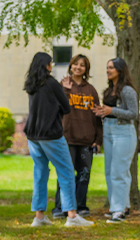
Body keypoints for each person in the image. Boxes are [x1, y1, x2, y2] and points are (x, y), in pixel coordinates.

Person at [23, 52, 94, 227]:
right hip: (50, 135)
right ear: (46, 65)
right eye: (51, 64)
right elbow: (66, 107)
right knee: (67, 171)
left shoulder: (31, 84)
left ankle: (39, 217)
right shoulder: (51, 83)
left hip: (33, 136)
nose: (51, 66)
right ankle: (72, 216)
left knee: (40, 173)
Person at [52, 54, 103, 219]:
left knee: (84, 175)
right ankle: (60, 208)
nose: (78, 67)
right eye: (76, 64)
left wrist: (98, 139)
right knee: (64, 174)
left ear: (86, 69)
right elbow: (58, 108)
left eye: (82, 65)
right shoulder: (63, 85)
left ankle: (80, 206)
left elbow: (97, 117)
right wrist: (66, 90)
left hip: (86, 140)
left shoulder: (91, 90)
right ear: (71, 66)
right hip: (67, 139)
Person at [94, 58, 138, 224]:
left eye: (111, 68)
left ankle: (118, 211)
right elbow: (108, 112)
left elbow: (134, 114)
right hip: (109, 130)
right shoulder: (108, 91)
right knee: (109, 171)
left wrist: (112, 110)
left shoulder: (127, 91)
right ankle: (121, 207)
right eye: (107, 68)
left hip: (123, 132)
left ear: (120, 70)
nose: (108, 70)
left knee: (119, 172)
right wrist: (102, 111)